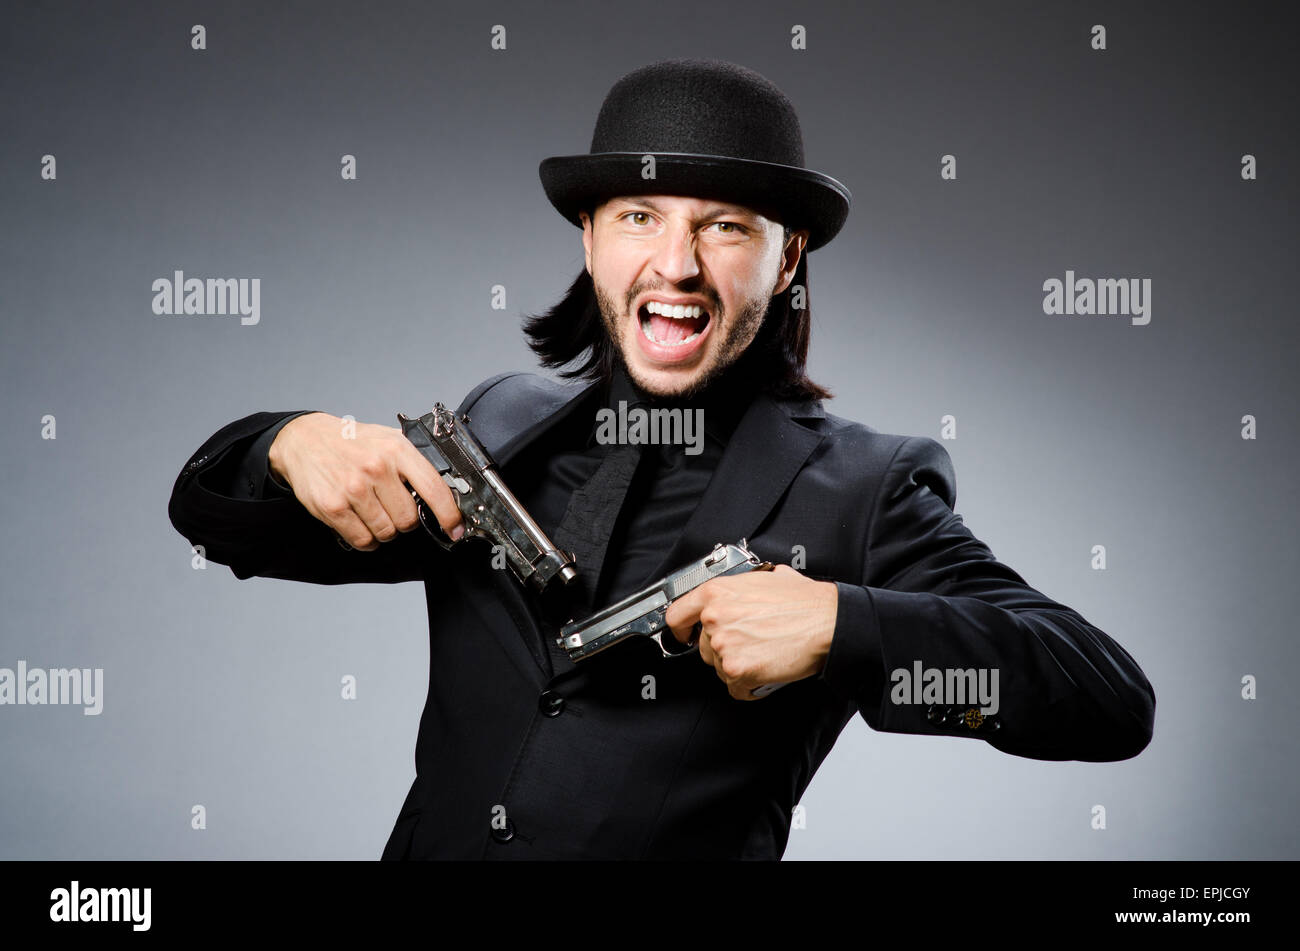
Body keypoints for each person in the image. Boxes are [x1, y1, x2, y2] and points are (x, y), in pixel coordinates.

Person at [167, 59, 1155, 860]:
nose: (675, 265)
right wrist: (285, 442)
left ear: (787, 256)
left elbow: (1107, 701)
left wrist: (842, 624)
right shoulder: (501, 421)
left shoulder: (865, 489)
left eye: (724, 227)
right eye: (641, 217)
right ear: (592, 236)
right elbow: (219, 525)